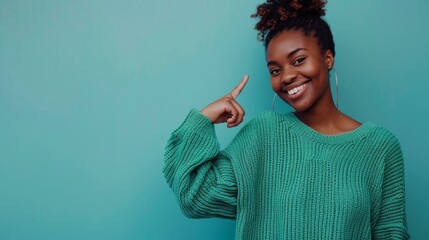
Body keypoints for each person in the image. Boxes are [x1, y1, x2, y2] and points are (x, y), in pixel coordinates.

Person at [163, 0, 409, 239]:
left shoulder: (380, 148)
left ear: (328, 58)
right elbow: (193, 196)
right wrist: (204, 119)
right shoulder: (264, 135)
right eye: (275, 70)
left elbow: (390, 234)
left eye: (298, 60)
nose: (287, 76)